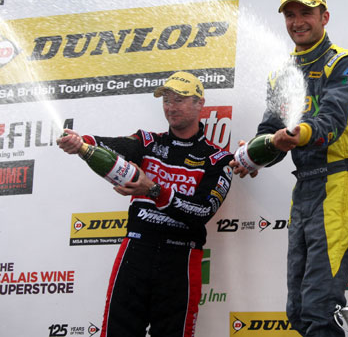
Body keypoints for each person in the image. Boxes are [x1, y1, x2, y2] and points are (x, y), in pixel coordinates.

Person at [230, 0, 348, 337]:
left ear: (324, 16)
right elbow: (270, 131)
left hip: (340, 184)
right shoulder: (282, 73)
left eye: (306, 13)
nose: (297, 22)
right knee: (297, 309)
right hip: (305, 187)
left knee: (321, 306)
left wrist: (296, 134)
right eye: (290, 15)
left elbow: (332, 122)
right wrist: (253, 155)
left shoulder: (345, 64)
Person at [57, 71, 234, 337]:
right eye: (166, 100)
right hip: (137, 250)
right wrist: (82, 142)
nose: (171, 107)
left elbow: (202, 211)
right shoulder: (147, 141)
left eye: (179, 100)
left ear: (200, 103)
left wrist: (153, 190)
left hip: (181, 258)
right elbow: (114, 145)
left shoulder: (218, 159)